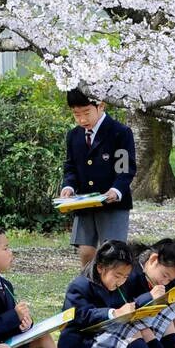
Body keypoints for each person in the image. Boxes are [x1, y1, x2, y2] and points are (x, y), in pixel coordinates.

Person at [60, 87, 136, 267]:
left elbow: (124, 168)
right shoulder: (74, 135)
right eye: (76, 114)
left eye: (86, 112)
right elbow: (70, 167)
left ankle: (112, 287)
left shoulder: (119, 132)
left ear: (101, 106)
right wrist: (68, 187)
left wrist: (116, 190)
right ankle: (88, 287)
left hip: (113, 204)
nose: (82, 119)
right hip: (84, 203)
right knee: (86, 252)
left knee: (112, 254)